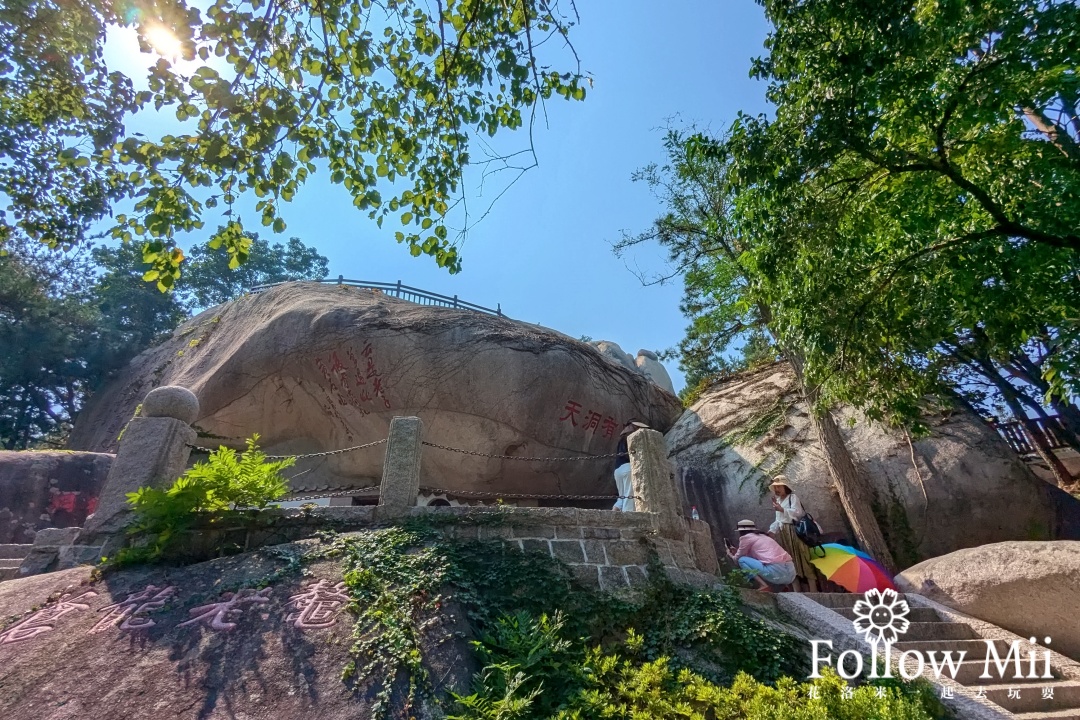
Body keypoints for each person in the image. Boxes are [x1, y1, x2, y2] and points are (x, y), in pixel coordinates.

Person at [767, 475, 819, 592]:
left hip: (795, 531)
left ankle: (814, 591)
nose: (777, 489)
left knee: (803, 557)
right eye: (775, 487)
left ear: (786, 486)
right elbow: (778, 519)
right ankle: (797, 591)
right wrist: (772, 531)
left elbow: (798, 513)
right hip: (785, 533)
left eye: (779, 486)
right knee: (790, 561)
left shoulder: (793, 497)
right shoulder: (779, 501)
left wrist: (782, 509)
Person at [726, 519, 796, 591]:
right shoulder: (763, 536)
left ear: (741, 531)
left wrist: (730, 555)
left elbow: (737, 559)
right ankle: (783, 586)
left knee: (741, 560)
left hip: (777, 573)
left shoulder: (746, 538)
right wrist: (737, 551)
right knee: (766, 562)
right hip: (791, 573)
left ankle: (763, 585)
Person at [612, 420, 650, 511]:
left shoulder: (621, 438)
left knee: (622, 497)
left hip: (617, 470)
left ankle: (613, 515)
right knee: (629, 497)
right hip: (629, 468)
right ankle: (627, 518)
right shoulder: (633, 437)